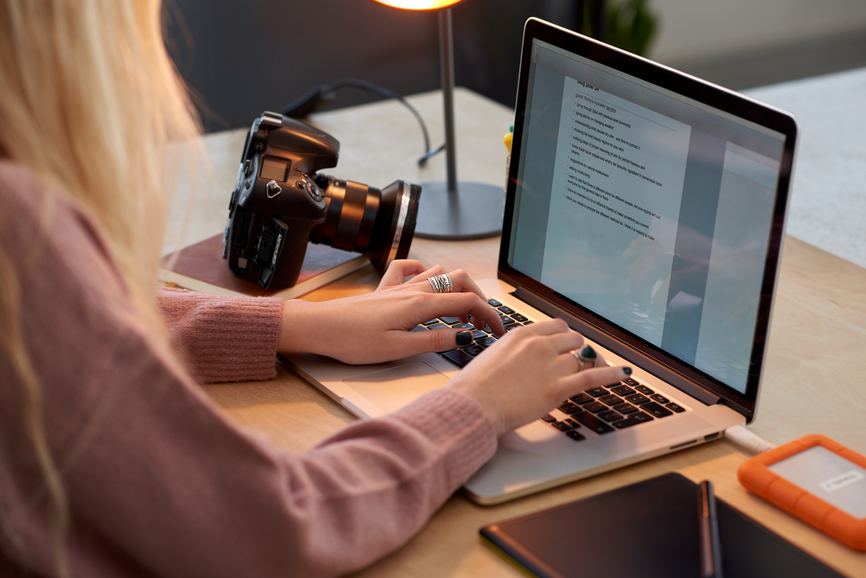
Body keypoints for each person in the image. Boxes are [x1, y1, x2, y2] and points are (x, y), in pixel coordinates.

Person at [0, 1, 630, 577]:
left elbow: (78, 332)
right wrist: (478, 406)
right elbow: (270, 531)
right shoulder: (18, 225)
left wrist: (299, 325)